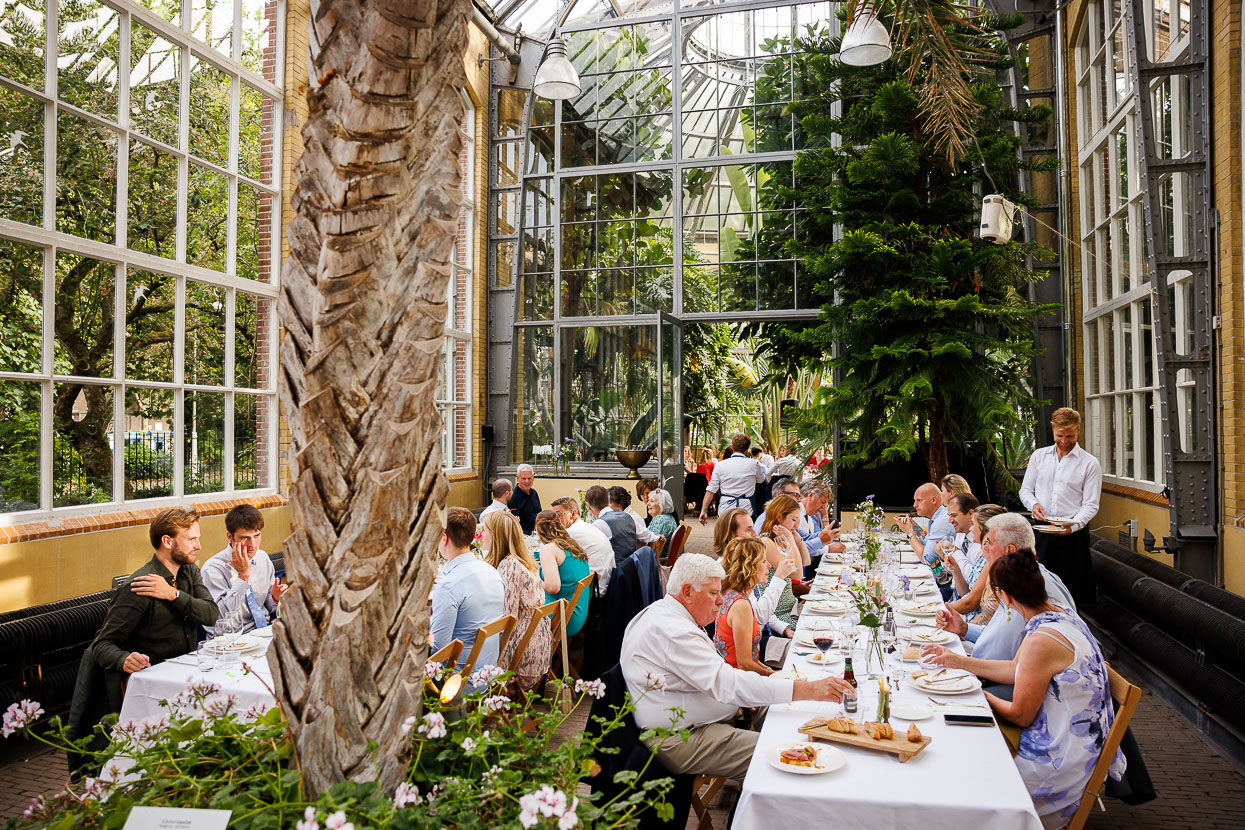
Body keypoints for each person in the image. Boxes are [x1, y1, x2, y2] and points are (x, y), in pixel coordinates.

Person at [620, 553, 853, 780]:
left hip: (708, 718)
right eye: (714, 593)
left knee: (793, 714)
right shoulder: (673, 631)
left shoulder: (667, 614)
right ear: (687, 592)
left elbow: (723, 680)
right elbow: (728, 684)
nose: (721, 600)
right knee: (787, 755)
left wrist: (790, 689)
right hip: (682, 736)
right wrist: (809, 689)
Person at [952, 552, 1126, 827]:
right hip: (1078, 749)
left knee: (964, 768)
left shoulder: (1041, 640)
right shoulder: (1060, 614)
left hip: (1057, 768)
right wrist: (958, 661)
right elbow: (1015, 668)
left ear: (1004, 597)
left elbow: (1020, 715)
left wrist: (981, 696)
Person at [929, 513, 1077, 680]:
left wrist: (961, 662)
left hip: (1005, 681)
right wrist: (964, 629)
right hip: (989, 669)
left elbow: (1006, 658)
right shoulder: (1025, 575)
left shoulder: (1026, 586)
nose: (984, 548)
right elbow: (997, 636)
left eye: (989, 543)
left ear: (1010, 550)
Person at [91, 507, 220, 674]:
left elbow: (211, 615)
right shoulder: (139, 585)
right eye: (191, 539)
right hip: (152, 677)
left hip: (189, 671)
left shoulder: (190, 571)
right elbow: (102, 645)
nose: (198, 546)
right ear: (167, 541)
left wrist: (174, 595)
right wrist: (124, 659)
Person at [1020, 407, 1102, 607]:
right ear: (1053, 430)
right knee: (1040, 585)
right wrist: (1034, 504)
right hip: (1042, 530)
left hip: (1074, 534)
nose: (1064, 441)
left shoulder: (1090, 463)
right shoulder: (1039, 456)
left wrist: (1072, 526)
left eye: (1070, 436)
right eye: (1060, 435)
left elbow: (1091, 504)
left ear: (1078, 430)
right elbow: (1026, 490)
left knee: (1074, 589)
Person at [430, 507, 506, 673]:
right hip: (489, 672)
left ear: (444, 538)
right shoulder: (492, 572)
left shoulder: (449, 585)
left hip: (458, 678)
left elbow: (437, 649)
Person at [482, 511, 550, 689]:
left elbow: (507, 618)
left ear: (496, 536)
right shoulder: (525, 560)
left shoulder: (509, 565)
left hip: (522, 654)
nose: (482, 535)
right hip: (537, 644)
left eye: (485, 531)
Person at [713, 538, 799, 676]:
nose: (769, 565)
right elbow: (744, 664)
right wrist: (773, 676)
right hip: (738, 681)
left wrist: (771, 672)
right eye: (764, 561)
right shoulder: (740, 605)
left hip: (739, 676)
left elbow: (751, 658)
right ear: (749, 566)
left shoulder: (733, 595)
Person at [201, 503, 287, 636]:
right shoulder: (212, 569)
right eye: (245, 538)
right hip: (231, 638)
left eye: (256, 536)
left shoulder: (262, 558)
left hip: (263, 632)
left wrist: (275, 598)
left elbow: (269, 607)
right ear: (230, 537)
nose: (252, 544)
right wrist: (243, 576)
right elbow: (220, 618)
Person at [714, 507, 796, 643]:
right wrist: (779, 577)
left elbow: (757, 606)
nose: (755, 533)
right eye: (748, 529)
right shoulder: (725, 572)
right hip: (751, 643)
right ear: (732, 536)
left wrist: (784, 628)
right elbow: (758, 616)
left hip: (763, 634)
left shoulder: (742, 563)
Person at [756, 495, 811, 629]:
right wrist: (790, 538)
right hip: (780, 615)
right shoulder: (766, 541)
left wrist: (798, 540)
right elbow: (797, 574)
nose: (797, 525)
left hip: (792, 607)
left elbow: (806, 561)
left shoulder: (780, 538)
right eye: (793, 520)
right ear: (779, 517)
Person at [534, 511, 592, 636]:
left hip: (564, 616)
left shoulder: (549, 549)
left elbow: (553, 587)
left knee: (521, 610)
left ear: (538, 530)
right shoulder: (571, 544)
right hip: (579, 611)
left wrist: (533, 581)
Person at [897, 481, 957, 598]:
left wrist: (910, 533)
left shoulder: (941, 521)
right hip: (940, 574)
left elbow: (928, 560)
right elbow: (925, 545)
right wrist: (913, 528)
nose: (914, 505)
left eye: (919, 500)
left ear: (933, 500)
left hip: (945, 583)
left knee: (906, 591)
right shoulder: (936, 518)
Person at [551, 496, 616, 592]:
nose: (555, 520)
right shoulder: (587, 526)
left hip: (595, 589)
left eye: (559, 515)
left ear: (573, 513)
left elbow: (548, 549)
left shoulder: (572, 532)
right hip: (606, 581)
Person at [699, 433, 766, 525]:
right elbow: (761, 480)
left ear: (732, 447)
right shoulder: (754, 464)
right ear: (747, 449)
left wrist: (704, 510)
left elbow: (711, 490)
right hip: (746, 510)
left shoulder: (720, 465)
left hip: (725, 509)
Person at [936, 492, 981, 603]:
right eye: (949, 516)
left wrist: (956, 552)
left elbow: (973, 582)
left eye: (954, 515)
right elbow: (947, 575)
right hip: (952, 592)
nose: (949, 521)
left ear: (971, 513)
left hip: (963, 599)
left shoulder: (981, 542)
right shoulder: (960, 535)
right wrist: (942, 559)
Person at [508, 464, 543, 534]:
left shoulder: (534, 493)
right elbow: (512, 524)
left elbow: (539, 514)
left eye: (529, 478)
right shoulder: (512, 497)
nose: (527, 481)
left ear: (533, 478)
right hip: (522, 536)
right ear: (517, 478)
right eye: (523, 479)